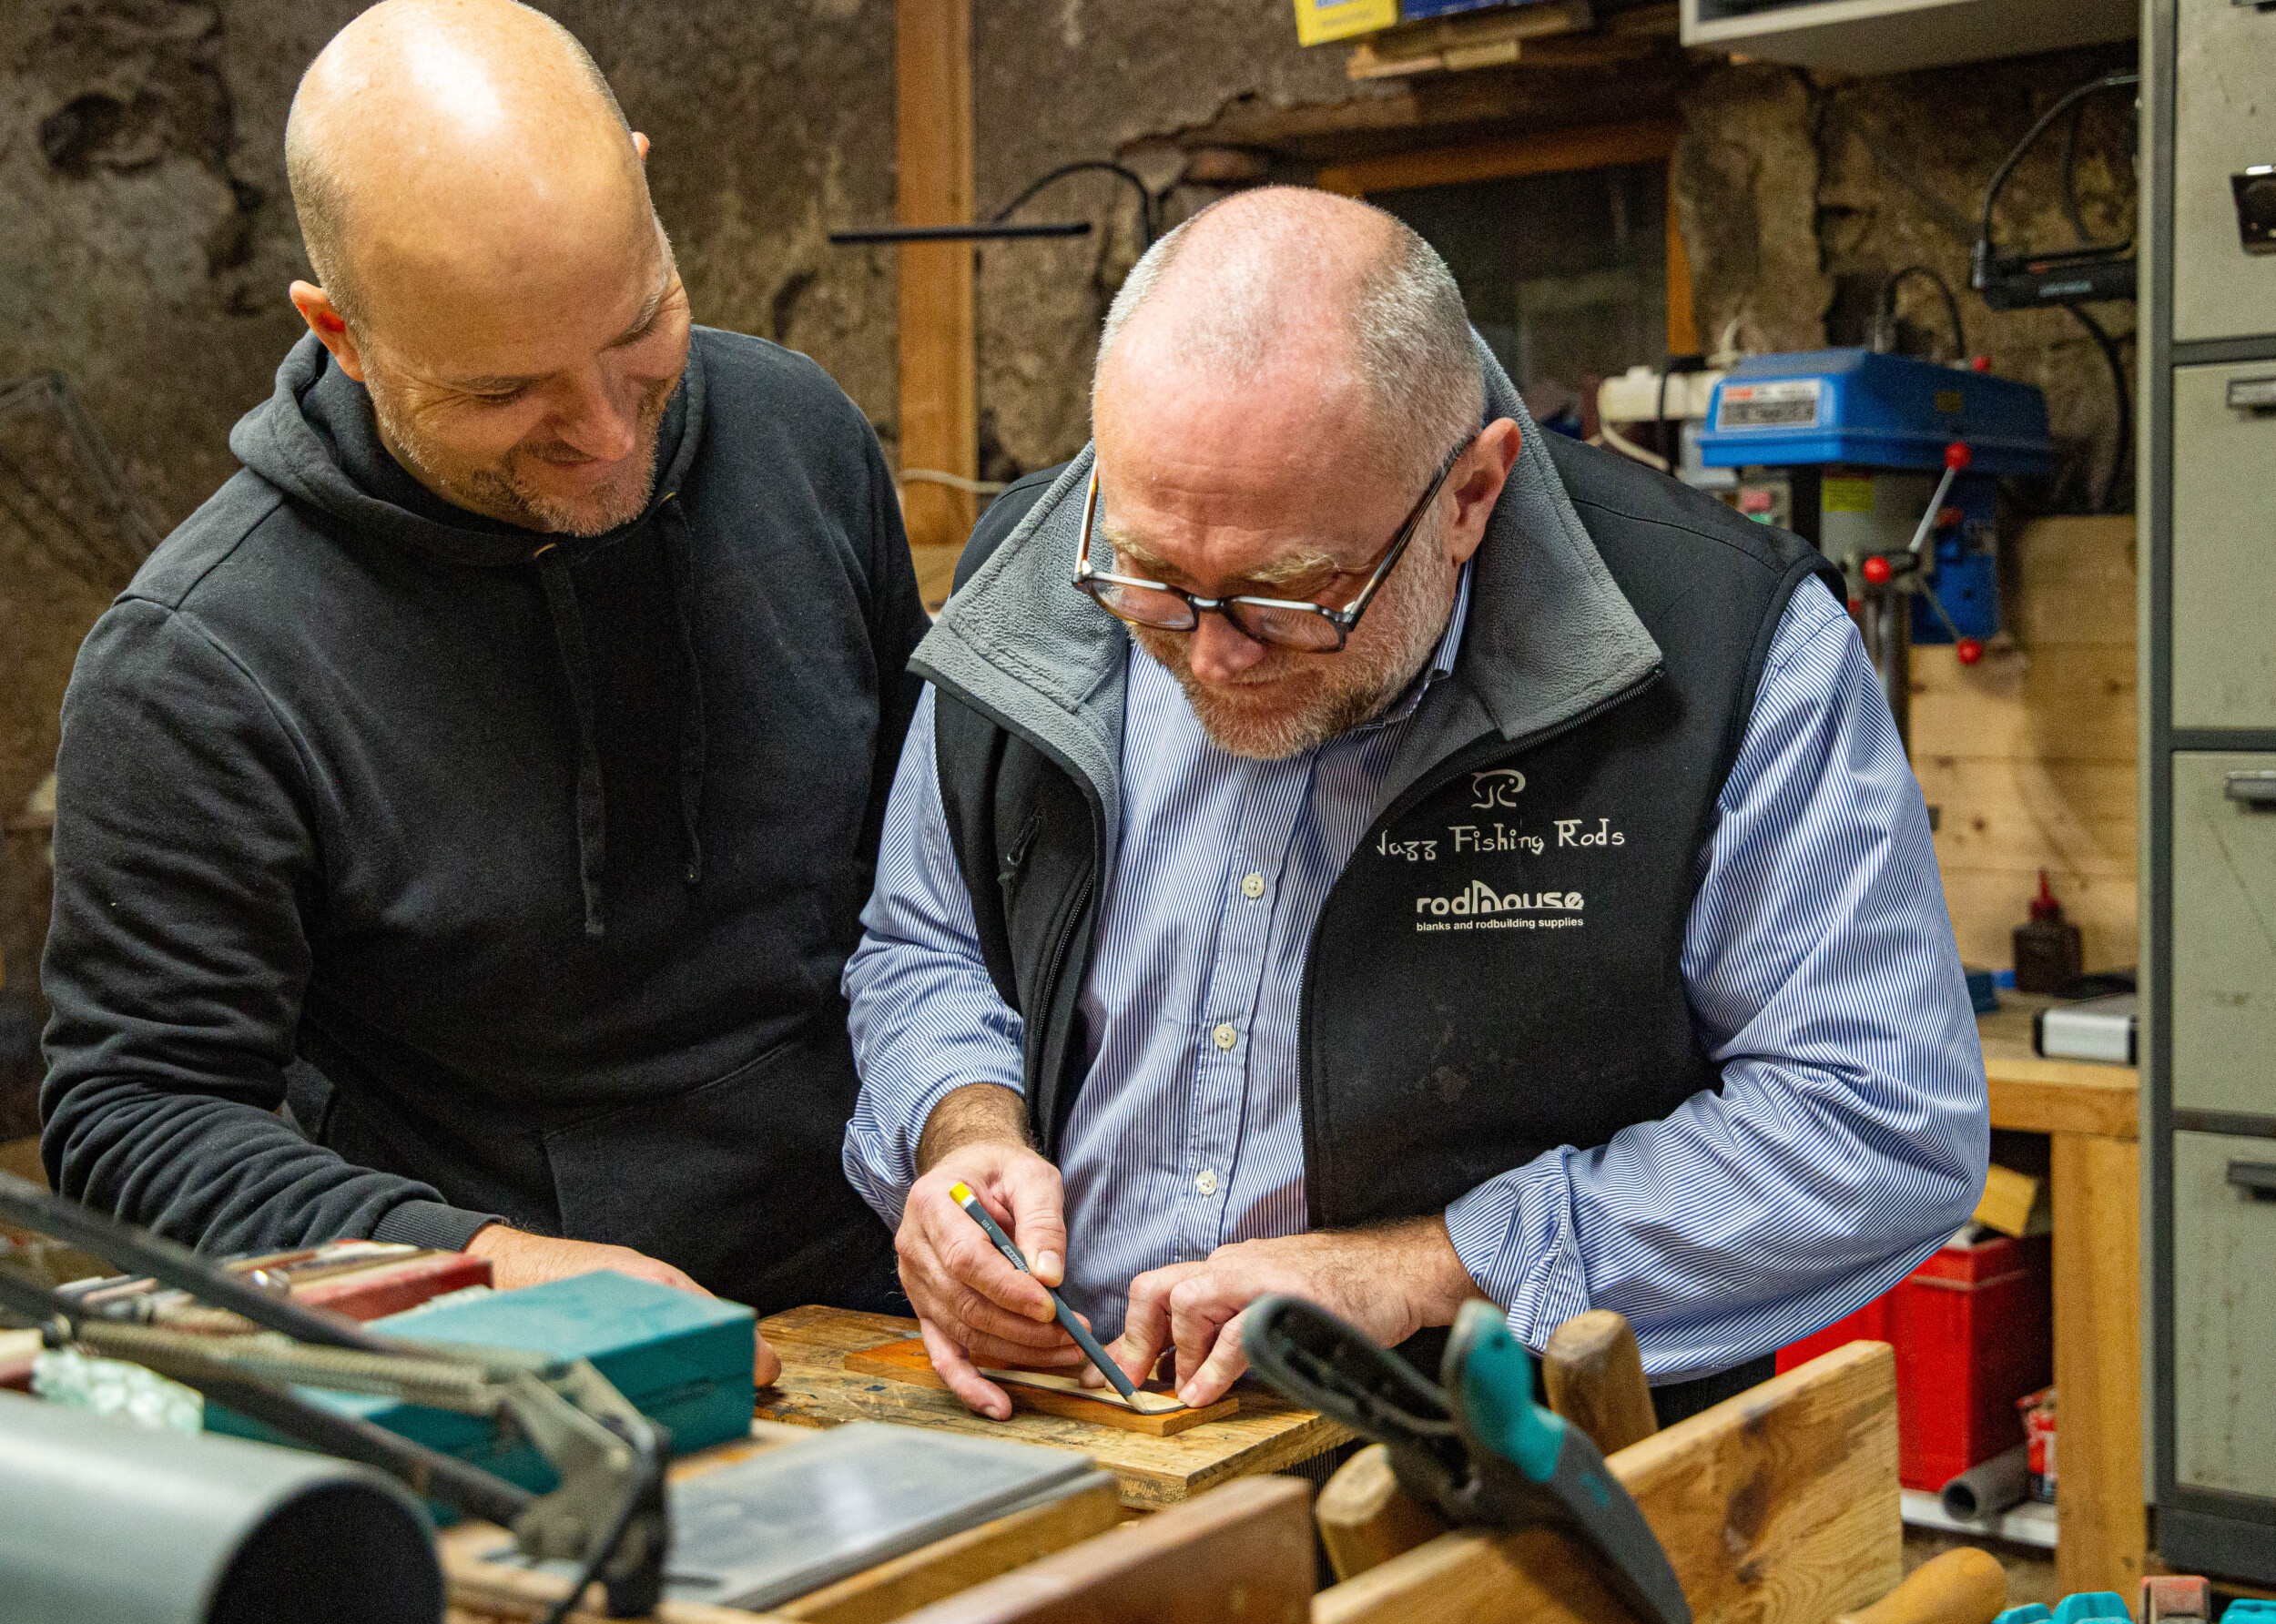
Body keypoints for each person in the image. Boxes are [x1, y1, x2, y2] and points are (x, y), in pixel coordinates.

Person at [842, 188, 1987, 1422]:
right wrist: (963, 1140)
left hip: (1492, 1479)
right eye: (1156, 579)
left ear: (1469, 495)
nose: (1213, 655)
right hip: (1065, 1430)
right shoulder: (1034, 578)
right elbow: (926, 945)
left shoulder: (1723, 648)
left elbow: (1874, 1122)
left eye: (1289, 596)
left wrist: (1435, 1268)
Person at [40, 0, 927, 1360]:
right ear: (339, 330)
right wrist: (486, 1267)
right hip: (517, 1359)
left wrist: (979, 1131)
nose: (605, 434)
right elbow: (139, 1116)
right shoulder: (198, 667)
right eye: (506, 392)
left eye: (639, 329)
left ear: (640, 175)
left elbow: (931, 894)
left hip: (893, 1278)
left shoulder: (801, 440)